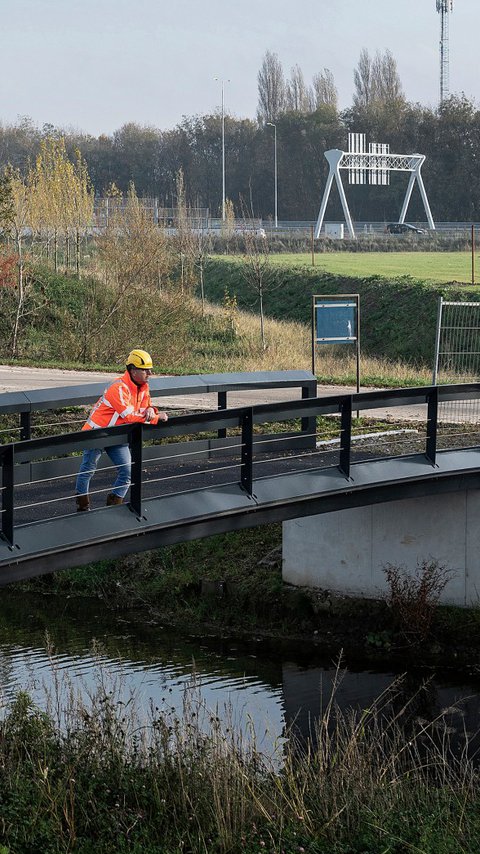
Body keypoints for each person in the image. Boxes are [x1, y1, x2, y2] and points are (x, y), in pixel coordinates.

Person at [75, 349, 168, 511]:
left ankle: (114, 504)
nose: (150, 373)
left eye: (150, 369)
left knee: (128, 471)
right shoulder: (118, 388)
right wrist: (156, 417)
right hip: (96, 433)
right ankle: (83, 505)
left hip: (117, 435)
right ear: (133, 370)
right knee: (88, 469)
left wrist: (152, 409)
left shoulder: (143, 387)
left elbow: (145, 407)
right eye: (145, 370)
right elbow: (129, 415)